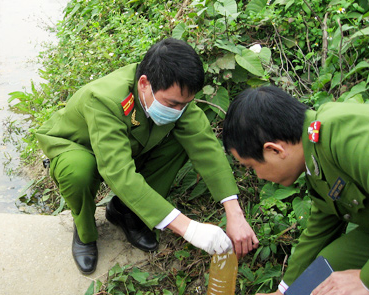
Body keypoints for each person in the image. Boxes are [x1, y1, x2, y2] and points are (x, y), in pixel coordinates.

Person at [36, 38, 258, 275]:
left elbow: (205, 145)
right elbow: (118, 172)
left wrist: (234, 212)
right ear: (144, 83)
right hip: (79, 147)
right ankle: (85, 231)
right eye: (172, 103)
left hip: (127, 147)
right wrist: (188, 228)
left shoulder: (175, 95)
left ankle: (126, 212)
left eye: (184, 105)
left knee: (180, 142)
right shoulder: (104, 99)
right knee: (78, 170)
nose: (178, 111)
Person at [222, 85, 369, 295]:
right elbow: (322, 223)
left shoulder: (344, 134)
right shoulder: (314, 153)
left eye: (252, 167)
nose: (258, 177)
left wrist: (364, 280)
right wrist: (282, 293)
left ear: (274, 150)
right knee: (319, 276)